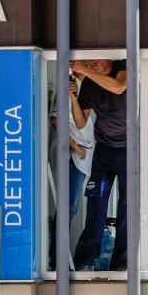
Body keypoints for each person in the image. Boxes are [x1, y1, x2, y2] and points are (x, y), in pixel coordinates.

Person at [72, 59, 128, 272]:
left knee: (126, 207)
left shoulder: (123, 66)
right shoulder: (88, 84)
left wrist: (83, 69)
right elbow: (80, 122)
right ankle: (86, 260)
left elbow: (118, 87)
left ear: (107, 58)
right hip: (104, 147)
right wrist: (73, 98)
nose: (90, 63)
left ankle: (121, 264)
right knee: (96, 204)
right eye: (87, 61)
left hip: (130, 149)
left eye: (93, 60)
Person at [48, 72, 96, 269]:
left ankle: (58, 257)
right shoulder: (68, 86)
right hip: (72, 156)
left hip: (85, 157)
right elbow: (55, 120)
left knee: (70, 208)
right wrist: (73, 145)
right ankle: (57, 258)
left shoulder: (91, 88)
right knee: (68, 208)